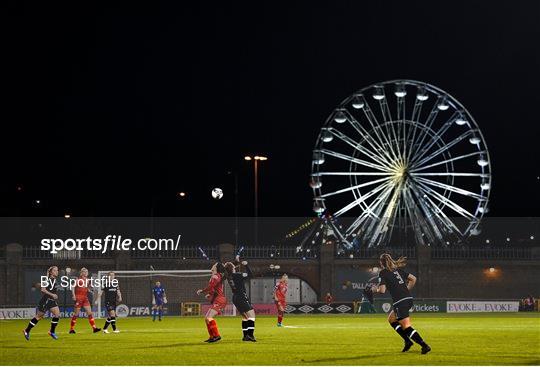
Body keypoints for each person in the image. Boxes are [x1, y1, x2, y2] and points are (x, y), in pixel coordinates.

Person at [371, 253, 431, 354]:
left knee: (406, 327)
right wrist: (406, 289)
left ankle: (424, 345)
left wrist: (374, 290)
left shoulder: (383, 273)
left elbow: (382, 290)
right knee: (391, 319)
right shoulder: (398, 271)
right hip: (407, 299)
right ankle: (407, 341)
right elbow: (413, 279)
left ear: (381, 263)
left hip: (400, 301)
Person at [23, 266, 61, 340]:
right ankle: (27, 330)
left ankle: (52, 331)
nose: (57, 271)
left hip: (51, 301)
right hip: (45, 300)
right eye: (55, 270)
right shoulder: (47, 279)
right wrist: (52, 294)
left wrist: (53, 295)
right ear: (51, 272)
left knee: (57, 315)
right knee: (39, 317)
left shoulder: (54, 279)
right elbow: (43, 290)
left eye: (57, 270)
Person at [224, 256, 256, 342]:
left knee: (245, 317)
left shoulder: (228, 276)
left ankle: (245, 336)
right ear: (233, 268)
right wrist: (246, 265)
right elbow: (251, 275)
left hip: (235, 297)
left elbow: (228, 268)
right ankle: (250, 335)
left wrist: (235, 262)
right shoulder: (237, 275)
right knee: (252, 316)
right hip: (241, 296)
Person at [197, 262, 227, 343]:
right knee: (207, 319)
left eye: (215, 264)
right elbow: (215, 288)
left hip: (219, 300)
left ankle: (217, 335)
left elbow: (211, 286)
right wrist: (210, 294)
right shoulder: (217, 276)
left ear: (216, 267)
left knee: (209, 318)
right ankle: (212, 337)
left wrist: (202, 291)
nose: (213, 265)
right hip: (218, 299)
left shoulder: (215, 276)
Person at [70, 267, 101, 334]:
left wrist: (90, 291)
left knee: (90, 313)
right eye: (85, 271)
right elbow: (72, 287)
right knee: (76, 314)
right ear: (81, 273)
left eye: (87, 271)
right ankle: (71, 329)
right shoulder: (78, 280)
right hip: (78, 298)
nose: (86, 272)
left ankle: (94, 328)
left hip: (85, 298)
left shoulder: (87, 280)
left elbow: (86, 288)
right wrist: (74, 295)